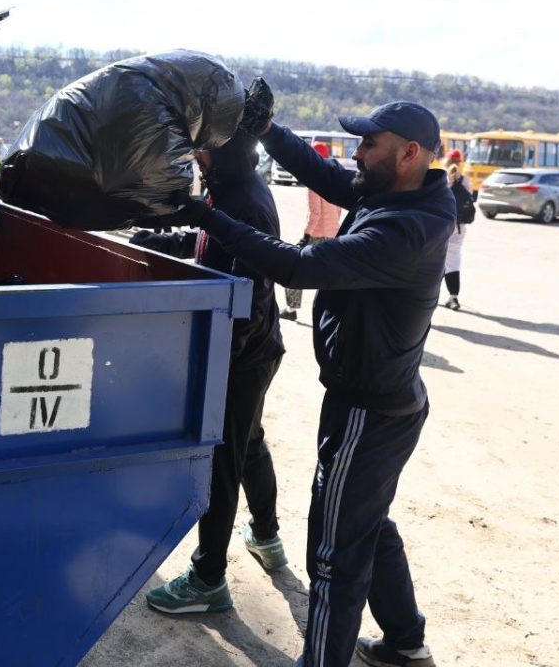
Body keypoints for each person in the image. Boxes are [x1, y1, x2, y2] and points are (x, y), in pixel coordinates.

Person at [170, 86, 454, 667]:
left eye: (369, 144)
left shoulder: (405, 229)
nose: (357, 154)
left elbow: (298, 266)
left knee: (333, 556)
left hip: (367, 410)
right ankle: (406, 641)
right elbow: (324, 175)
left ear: (409, 154)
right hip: (382, 398)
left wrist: (206, 216)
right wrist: (269, 130)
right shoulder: (397, 192)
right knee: (367, 524)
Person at [131, 125, 288, 614]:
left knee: (223, 460)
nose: (198, 157)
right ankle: (267, 535)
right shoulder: (230, 191)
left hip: (243, 355)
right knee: (249, 442)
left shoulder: (248, 203)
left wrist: (219, 361)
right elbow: (208, 240)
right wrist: (162, 242)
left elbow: (251, 297)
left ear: (228, 151)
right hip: (254, 350)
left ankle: (208, 578)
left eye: (205, 149)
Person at [283, 140, 342, 321]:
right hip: (333, 235)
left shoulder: (314, 183)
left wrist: (306, 235)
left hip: (316, 236)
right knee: (328, 278)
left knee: (292, 269)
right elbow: (339, 210)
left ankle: (291, 309)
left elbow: (315, 213)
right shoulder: (334, 181)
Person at [443, 150, 474, 311]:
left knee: (434, 259)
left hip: (441, 225)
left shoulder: (441, 178)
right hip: (459, 227)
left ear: (446, 161)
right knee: (453, 261)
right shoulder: (465, 180)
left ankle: (428, 296)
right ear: (460, 163)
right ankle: (453, 297)